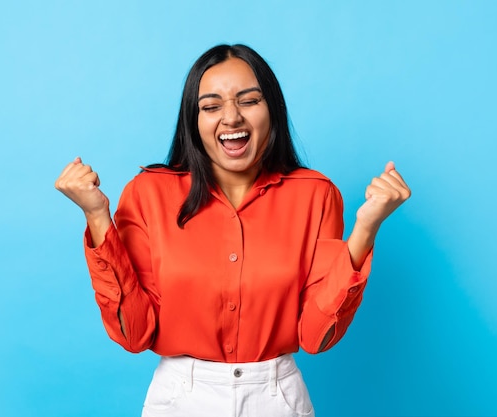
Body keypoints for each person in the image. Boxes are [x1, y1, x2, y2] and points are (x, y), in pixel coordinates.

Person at [55, 44, 411, 417]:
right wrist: (97, 218)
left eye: (249, 101)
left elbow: (315, 335)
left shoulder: (315, 195)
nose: (231, 118)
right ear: (193, 121)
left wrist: (366, 228)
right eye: (211, 106)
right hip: (180, 398)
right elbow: (134, 334)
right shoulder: (148, 193)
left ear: (271, 109)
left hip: (276, 398)